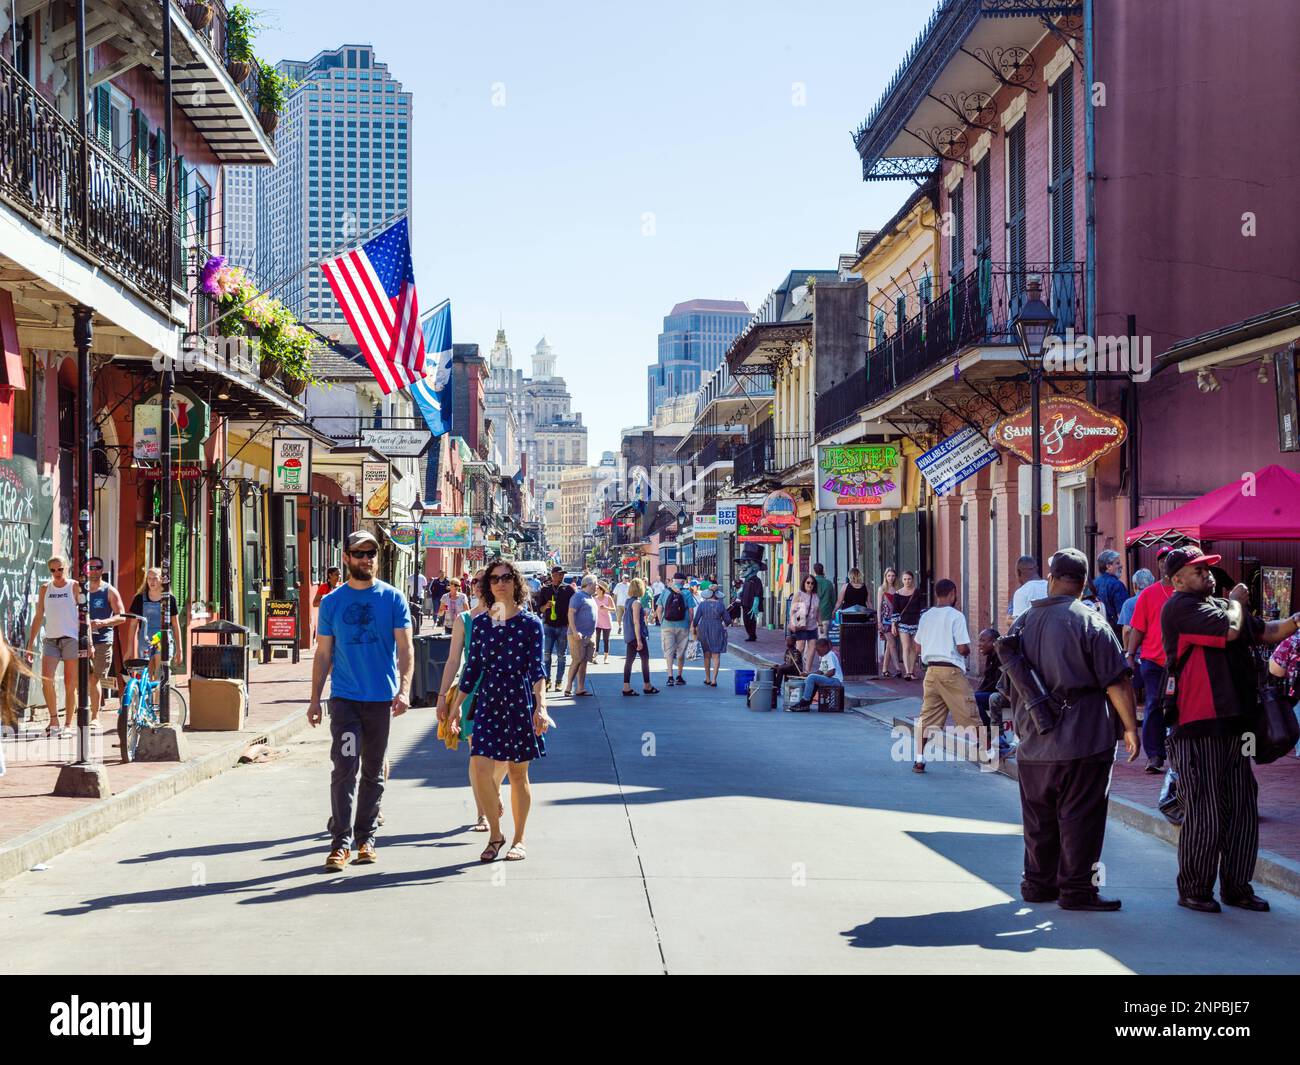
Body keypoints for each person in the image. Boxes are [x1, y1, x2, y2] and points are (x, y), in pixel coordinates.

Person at [1159, 547, 1300, 913]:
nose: (1207, 575)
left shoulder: (1219, 605)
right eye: (1198, 571)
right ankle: (1194, 889)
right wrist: (1236, 600)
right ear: (1177, 580)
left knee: (1242, 808)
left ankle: (1237, 887)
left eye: (1208, 569)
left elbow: (1266, 631)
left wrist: (1296, 621)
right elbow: (1233, 628)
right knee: (1205, 810)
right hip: (1198, 724)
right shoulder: (1180, 608)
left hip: (1239, 724)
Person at [1008, 548, 1139, 911]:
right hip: (1084, 740)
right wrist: (1130, 727)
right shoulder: (1090, 621)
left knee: (1038, 819)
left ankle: (1037, 883)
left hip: (1034, 744)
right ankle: (1077, 889)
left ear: (1050, 578)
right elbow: (1117, 682)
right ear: (1084, 583)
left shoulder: (1021, 623)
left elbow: (1008, 687)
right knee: (1081, 817)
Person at [308, 530, 413, 871]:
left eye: (371, 553)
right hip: (346, 701)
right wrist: (314, 699)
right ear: (346, 557)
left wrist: (404, 689)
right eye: (359, 553)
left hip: (380, 701)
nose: (366, 559)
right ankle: (340, 843)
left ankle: (365, 838)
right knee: (345, 768)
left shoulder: (393, 599)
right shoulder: (332, 602)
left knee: (373, 772)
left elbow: (406, 648)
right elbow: (323, 654)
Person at [459, 560, 553, 862]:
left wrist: (542, 706)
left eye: (506, 577)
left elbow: (538, 669)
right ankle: (495, 834)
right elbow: (471, 669)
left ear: (516, 583)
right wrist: (452, 707)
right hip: (488, 700)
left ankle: (519, 839)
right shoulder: (482, 624)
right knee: (481, 767)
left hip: (519, 699)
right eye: (494, 578)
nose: (500, 583)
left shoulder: (530, 624)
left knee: (517, 772)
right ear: (488, 586)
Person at [434, 567, 502, 832]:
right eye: (477, 581)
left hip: (499, 690)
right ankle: (482, 812)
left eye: (487, 581)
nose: (480, 585)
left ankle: (492, 792)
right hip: (471, 691)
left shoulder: (498, 614)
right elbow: (453, 660)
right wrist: (442, 698)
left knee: (502, 758)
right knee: (477, 755)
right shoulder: (464, 619)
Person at [909, 579, 984, 772]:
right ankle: (988, 751)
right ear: (952, 593)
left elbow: (917, 646)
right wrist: (966, 651)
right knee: (969, 711)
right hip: (951, 670)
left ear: (936, 594)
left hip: (931, 672)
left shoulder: (926, 616)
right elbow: (961, 647)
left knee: (927, 717)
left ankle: (919, 758)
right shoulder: (956, 616)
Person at [1124, 555, 1176, 772]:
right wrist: (1130, 654)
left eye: (1169, 560)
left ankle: (1179, 752)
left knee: (1179, 705)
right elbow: (1137, 628)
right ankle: (1154, 756)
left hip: (1179, 662)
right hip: (1153, 661)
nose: (1165, 564)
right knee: (1154, 704)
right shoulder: (1148, 594)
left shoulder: (1186, 592)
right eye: (1162, 560)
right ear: (1159, 564)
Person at [25, 556, 81, 736]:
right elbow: (39, 615)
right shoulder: (44, 588)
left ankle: (68, 724)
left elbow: (84, 613)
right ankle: (54, 719)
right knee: (46, 680)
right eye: (53, 570)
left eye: (60, 569)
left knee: (69, 683)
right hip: (51, 640)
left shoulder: (74, 586)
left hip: (71, 639)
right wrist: (31, 641)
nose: (57, 573)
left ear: (66, 568)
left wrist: (87, 639)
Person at [84, 557, 125, 729]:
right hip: (82, 641)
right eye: (90, 567)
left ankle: (94, 717)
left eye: (97, 567)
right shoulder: (80, 590)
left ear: (102, 570)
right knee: (82, 679)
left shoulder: (109, 590)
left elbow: (121, 616)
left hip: (102, 641)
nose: (93, 570)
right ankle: (84, 713)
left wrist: (103, 622)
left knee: (94, 678)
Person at [125, 568, 182, 679]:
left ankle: (159, 696)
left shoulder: (170, 599)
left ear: (161, 579)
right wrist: (130, 649)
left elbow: (175, 625)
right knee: (145, 675)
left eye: (155, 578)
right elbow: (133, 625)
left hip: (162, 638)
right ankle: (148, 696)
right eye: (149, 578)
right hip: (145, 639)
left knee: (160, 673)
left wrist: (179, 649)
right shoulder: (139, 598)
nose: (152, 581)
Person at [532, 565, 573, 690]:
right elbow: (539, 609)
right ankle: (548, 680)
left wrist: (570, 623)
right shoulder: (545, 589)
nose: (561, 576)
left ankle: (559, 681)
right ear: (553, 575)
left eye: (562, 575)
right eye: (559, 574)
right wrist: (546, 606)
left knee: (561, 655)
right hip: (548, 626)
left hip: (563, 626)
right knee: (547, 655)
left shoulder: (569, 589)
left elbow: (574, 607)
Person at [973, 627, 1012, 757]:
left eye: (983, 640)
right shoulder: (992, 656)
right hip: (997, 693)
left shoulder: (1002, 657)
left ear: (994, 642)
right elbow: (988, 684)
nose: (979, 644)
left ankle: (991, 736)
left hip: (1008, 695)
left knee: (974, 699)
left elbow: (999, 685)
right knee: (971, 699)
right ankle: (987, 736)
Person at [620, 577, 659, 696]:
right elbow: (636, 621)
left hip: (629, 635)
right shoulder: (636, 603)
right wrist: (639, 640)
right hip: (636, 636)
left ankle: (626, 686)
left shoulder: (628, 601)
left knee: (629, 661)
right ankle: (647, 685)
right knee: (645, 659)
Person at [656, 573, 698, 685]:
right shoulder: (687, 593)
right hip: (683, 625)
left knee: (669, 651)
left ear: (673, 580)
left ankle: (670, 676)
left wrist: (662, 622)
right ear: (683, 582)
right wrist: (689, 624)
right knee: (681, 652)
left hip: (667, 625)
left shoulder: (665, 592)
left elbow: (659, 610)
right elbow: (691, 611)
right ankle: (679, 676)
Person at [563, 575, 598, 697]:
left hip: (588, 635)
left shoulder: (591, 597)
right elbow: (570, 613)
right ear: (589, 584)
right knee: (577, 660)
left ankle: (580, 688)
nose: (597, 586)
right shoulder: (578, 596)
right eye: (595, 584)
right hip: (577, 635)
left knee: (584, 662)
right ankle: (568, 687)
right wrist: (574, 631)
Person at [691, 581, 730, 686]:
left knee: (706, 655)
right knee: (716, 656)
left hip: (704, 629)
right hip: (717, 628)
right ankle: (714, 680)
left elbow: (696, 619)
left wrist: (694, 628)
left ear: (708, 593)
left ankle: (707, 678)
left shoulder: (702, 605)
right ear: (717, 595)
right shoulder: (721, 605)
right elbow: (728, 620)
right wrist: (723, 623)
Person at [789, 638, 843, 711]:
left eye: (818, 650)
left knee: (812, 678)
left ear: (825, 647)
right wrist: (808, 674)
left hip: (836, 681)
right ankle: (807, 703)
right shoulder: (824, 656)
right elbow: (820, 671)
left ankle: (805, 701)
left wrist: (819, 678)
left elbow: (831, 672)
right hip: (830, 679)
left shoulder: (830, 655)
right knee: (811, 678)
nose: (817, 652)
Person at [891, 571, 924, 681]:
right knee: (906, 647)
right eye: (905, 579)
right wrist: (893, 625)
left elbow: (921, 608)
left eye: (909, 579)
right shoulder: (898, 593)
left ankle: (911, 670)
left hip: (915, 622)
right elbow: (895, 610)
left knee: (914, 648)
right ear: (902, 580)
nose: (907, 581)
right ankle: (908, 672)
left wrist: (922, 622)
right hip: (903, 623)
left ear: (913, 579)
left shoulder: (917, 592)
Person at [788, 575, 821, 671]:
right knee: (800, 647)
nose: (810, 585)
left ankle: (807, 671)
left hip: (812, 626)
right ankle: (796, 669)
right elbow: (792, 610)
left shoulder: (815, 596)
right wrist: (792, 622)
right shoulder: (799, 594)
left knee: (812, 648)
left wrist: (820, 624)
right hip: (801, 625)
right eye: (808, 582)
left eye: (812, 583)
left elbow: (818, 612)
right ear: (804, 583)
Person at [873, 568, 902, 677]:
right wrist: (879, 622)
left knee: (890, 645)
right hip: (885, 620)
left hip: (895, 620)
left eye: (893, 576)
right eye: (889, 576)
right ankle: (898, 669)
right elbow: (879, 606)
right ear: (885, 576)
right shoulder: (882, 589)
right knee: (892, 644)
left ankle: (885, 670)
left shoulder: (898, 589)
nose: (891, 578)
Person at [1093, 549, 1128, 628]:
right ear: (1108, 566)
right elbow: (1122, 615)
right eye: (1117, 563)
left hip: (1097, 631)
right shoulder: (1117, 585)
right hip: (1115, 632)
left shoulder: (1094, 583)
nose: (1121, 566)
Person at [1009, 555, 1049, 621]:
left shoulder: (1021, 592)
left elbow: (1019, 625)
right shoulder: (1051, 587)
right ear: (1037, 569)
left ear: (1018, 572)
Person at [1118, 568, 1155, 633]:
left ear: (1135, 585)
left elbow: (1126, 630)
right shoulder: (1157, 601)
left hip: (1137, 642)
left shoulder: (1129, 604)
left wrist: (1128, 643)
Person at [594, 581, 616, 664]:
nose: (596, 590)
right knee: (597, 639)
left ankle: (606, 658)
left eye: (597, 589)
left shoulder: (608, 597)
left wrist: (606, 608)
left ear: (602, 590)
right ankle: (595, 657)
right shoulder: (594, 598)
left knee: (606, 640)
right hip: (597, 622)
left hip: (606, 621)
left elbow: (614, 609)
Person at [812, 563, 836, 639]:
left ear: (814, 571)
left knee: (811, 640)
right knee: (823, 638)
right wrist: (833, 611)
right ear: (823, 570)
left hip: (813, 615)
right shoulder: (829, 583)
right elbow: (833, 600)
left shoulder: (810, 583)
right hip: (826, 614)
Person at [409, 570, 429, 634]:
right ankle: (414, 623)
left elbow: (425, 585)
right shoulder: (411, 577)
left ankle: (419, 622)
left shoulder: (422, 577)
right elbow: (424, 585)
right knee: (413, 610)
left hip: (419, 596)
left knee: (419, 610)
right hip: (413, 595)